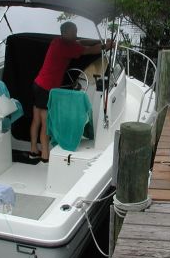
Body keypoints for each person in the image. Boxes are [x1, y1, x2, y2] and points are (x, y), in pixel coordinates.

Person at [29, 21, 113, 162]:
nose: (75, 34)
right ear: (65, 33)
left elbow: (80, 41)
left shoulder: (57, 41)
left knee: (36, 120)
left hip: (37, 84)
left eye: (76, 31)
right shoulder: (68, 47)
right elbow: (89, 50)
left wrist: (98, 41)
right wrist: (106, 46)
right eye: (73, 32)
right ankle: (45, 156)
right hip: (46, 89)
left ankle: (33, 150)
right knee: (46, 123)